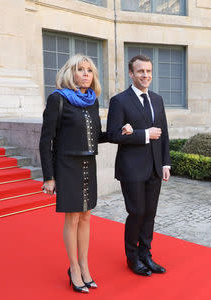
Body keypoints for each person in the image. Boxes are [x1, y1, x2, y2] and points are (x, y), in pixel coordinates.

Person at [39, 54, 132, 293]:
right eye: (81, 70)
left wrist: (118, 131)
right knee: (72, 218)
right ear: (71, 73)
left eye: (89, 71)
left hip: (88, 164)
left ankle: (84, 265)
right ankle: (74, 268)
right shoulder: (57, 99)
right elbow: (46, 140)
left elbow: (95, 136)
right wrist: (49, 177)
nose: (86, 74)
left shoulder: (91, 100)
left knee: (87, 216)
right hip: (67, 165)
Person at [107, 54, 171, 276]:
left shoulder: (157, 99)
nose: (146, 75)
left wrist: (165, 163)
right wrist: (144, 134)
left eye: (149, 71)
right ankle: (132, 258)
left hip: (154, 166)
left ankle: (146, 255)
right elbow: (114, 135)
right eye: (141, 71)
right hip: (131, 168)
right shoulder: (119, 101)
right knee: (136, 213)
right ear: (131, 74)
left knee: (150, 214)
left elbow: (163, 134)